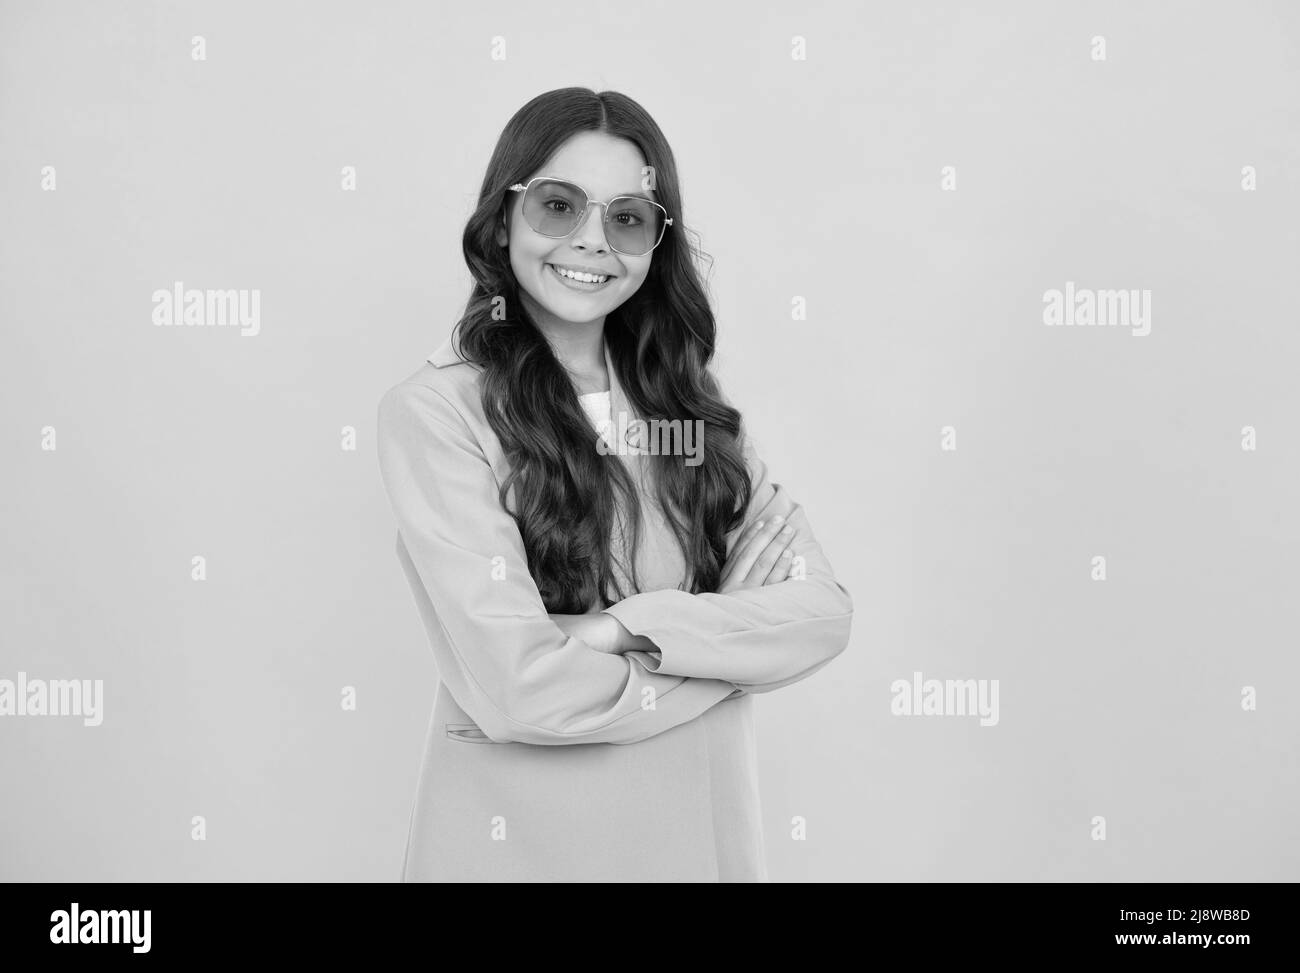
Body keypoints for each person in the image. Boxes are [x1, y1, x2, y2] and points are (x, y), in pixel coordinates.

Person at [376, 87, 853, 882]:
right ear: (502, 219)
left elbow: (824, 614)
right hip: (516, 849)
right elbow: (523, 690)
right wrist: (726, 649)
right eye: (559, 206)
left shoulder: (688, 409)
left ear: (654, 244)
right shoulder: (435, 412)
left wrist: (619, 627)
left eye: (627, 217)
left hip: (696, 848)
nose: (593, 241)